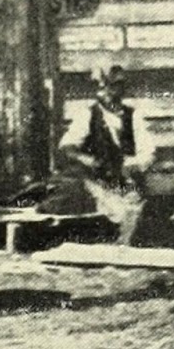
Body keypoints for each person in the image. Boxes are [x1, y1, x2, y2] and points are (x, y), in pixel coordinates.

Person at [51, 64, 157, 242]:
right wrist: (87, 159)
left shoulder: (134, 117)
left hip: (123, 180)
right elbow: (67, 147)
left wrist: (134, 164)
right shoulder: (88, 115)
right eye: (103, 87)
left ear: (121, 89)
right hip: (95, 180)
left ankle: (123, 239)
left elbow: (148, 151)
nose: (107, 92)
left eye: (114, 87)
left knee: (131, 210)